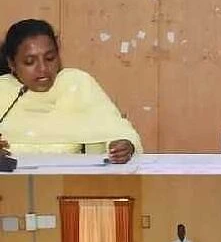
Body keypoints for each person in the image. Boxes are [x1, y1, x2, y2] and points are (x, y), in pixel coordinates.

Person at [0, 19, 140, 161]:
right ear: (12, 63)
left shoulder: (76, 84)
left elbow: (119, 131)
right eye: (30, 62)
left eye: (50, 58)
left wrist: (124, 146)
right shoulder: (3, 90)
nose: (43, 69)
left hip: (70, 175)